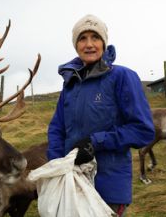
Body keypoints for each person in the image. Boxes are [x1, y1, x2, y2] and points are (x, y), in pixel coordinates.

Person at [47, 14, 155, 216]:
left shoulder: (122, 77)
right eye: (82, 38)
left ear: (104, 43)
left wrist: (96, 142)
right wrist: (56, 164)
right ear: (75, 45)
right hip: (71, 183)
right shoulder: (71, 84)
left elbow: (143, 131)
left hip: (108, 187)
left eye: (95, 37)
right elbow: (57, 128)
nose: (89, 44)